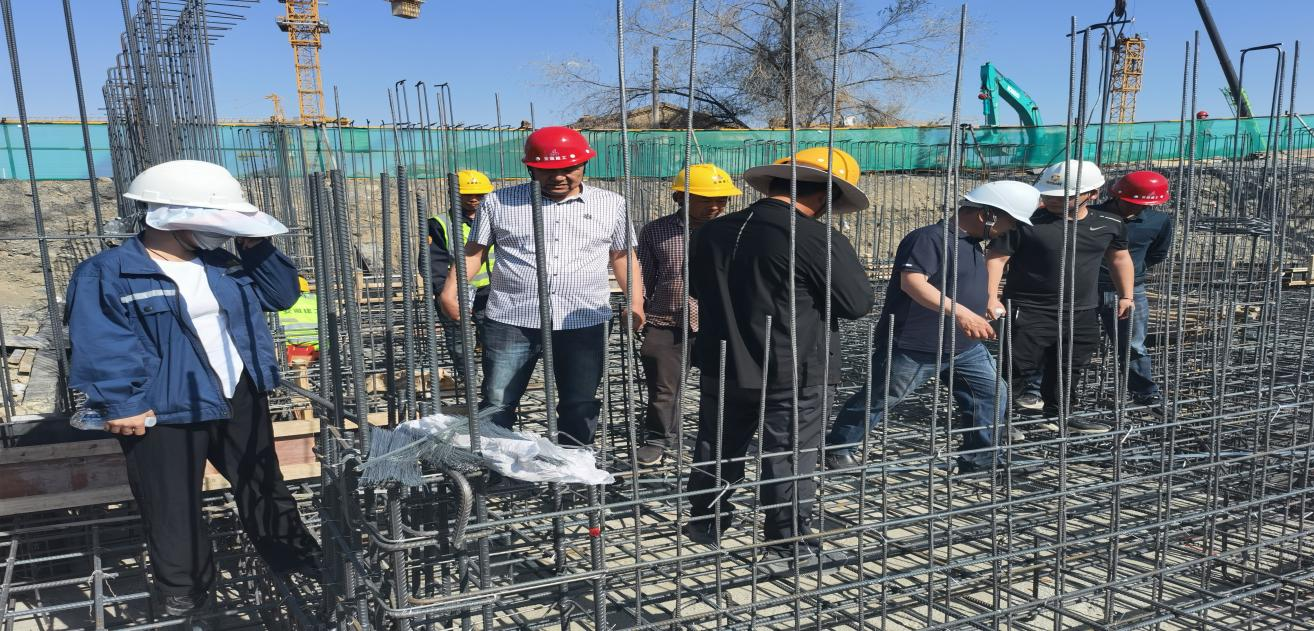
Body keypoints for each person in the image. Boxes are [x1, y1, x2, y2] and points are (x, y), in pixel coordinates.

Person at [65, 160, 320, 617]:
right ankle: (183, 588)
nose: (220, 231)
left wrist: (255, 244)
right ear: (170, 217)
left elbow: (282, 295)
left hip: (237, 389)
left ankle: (292, 554)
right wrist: (120, 402)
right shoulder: (108, 272)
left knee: (262, 480)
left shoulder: (224, 264)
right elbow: (101, 340)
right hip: (164, 404)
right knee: (172, 503)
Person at [685, 147, 874, 571]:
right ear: (825, 194)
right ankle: (787, 542)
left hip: (723, 359)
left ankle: (706, 519)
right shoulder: (815, 238)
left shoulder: (711, 232)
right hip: (793, 366)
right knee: (788, 453)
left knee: (718, 443)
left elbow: (697, 289)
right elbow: (857, 303)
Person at [439, 126, 644, 446]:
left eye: (569, 168)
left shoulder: (612, 204)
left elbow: (622, 256)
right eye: (548, 170)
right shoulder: (498, 202)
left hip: (583, 319)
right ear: (530, 167)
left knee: (579, 402)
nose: (559, 177)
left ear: (584, 164)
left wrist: (635, 301)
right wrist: (451, 290)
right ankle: (495, 463)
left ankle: (573, 462)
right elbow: (473, 253)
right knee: (498, 401)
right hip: (512, 319)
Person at [825, 181, 1040, 476]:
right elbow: (913, 283)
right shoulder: (928, 238)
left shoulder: (971, 244)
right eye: (1010, 221)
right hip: (916, 344)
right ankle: (838, 448)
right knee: (881, 397)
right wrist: (964, 314)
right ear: (987, 214)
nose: (1010, 229)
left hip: (963, 345)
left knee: (991, 392)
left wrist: (987, 301)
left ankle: (980, 458)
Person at [985, 160, 1136, 433]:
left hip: (1082, 311)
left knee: (1069, 366)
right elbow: (997, 258)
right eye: (1049, 194)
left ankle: (1059, 415)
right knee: (1015, 366)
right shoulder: (1025, 222)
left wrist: (1126, 295)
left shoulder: (1110, 224)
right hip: (1028, 308)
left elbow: (1120, 258)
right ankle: (998, 421)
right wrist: (990, 297)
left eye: (1064, 196)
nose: (1053, 199)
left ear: (1093, 194)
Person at [634, 163, 742, 466]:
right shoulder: (656, 231)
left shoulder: (735, 230)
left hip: (719, 322)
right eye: (706, 199)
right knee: (663, 388)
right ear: (679, 197)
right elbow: (644, 277)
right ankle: (658, 438)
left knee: (723, 386)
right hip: (666, 320)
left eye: (721, 199)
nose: (715, 206)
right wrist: (640, 309)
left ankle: (720, 440)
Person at [1095, 171, 1173, 410]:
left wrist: (1132, 273)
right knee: (1071, 341)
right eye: (1130, 203)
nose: (1135, 209)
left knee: (1133, 344)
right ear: (1117, 196)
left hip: (1131, 291)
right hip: (1087, 286)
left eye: (1140, 206)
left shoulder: (1158, 221)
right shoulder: (1091, 215)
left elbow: (1157, 253)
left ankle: (1144, 392)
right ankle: (1052, 393)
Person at [429, 169, 495, 384]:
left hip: (490, 291)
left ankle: (493, 381)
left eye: (479, 195)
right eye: (466, 194)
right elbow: (432, 262)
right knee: (459, 341)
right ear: (453, 194)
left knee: (493, 338)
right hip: (455, 292)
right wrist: (444, 293)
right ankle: (468, 379)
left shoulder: (497, 219)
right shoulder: (440, 224)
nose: (473, 199)